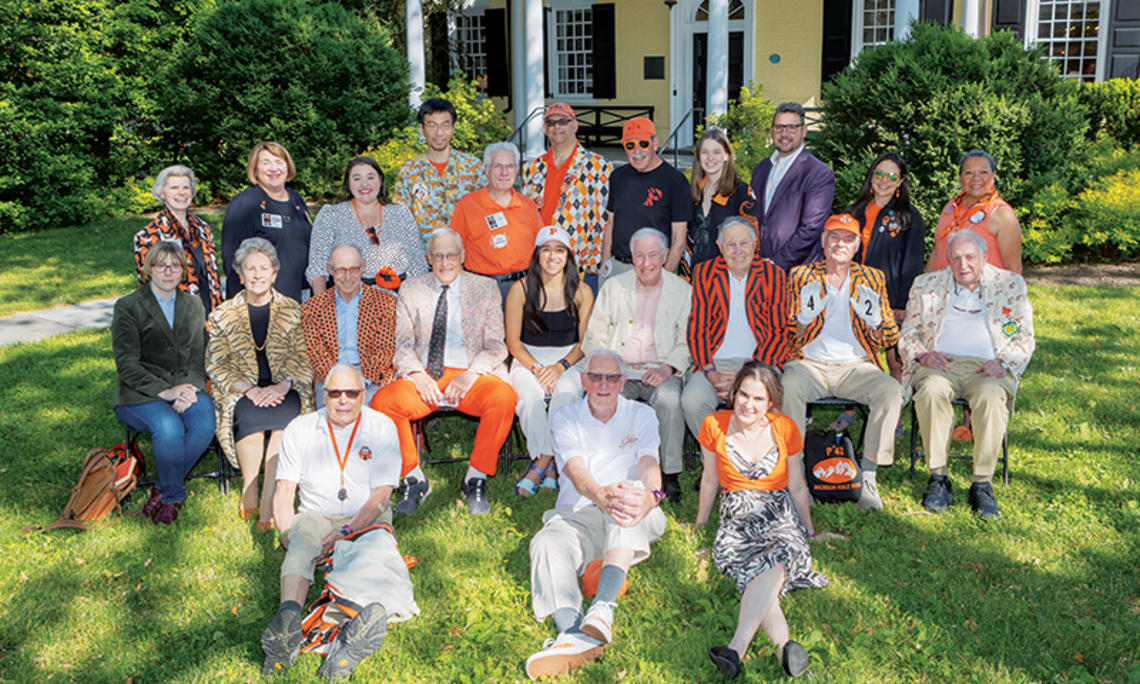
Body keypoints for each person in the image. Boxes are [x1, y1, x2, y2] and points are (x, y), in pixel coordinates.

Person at [260, 364, 418, 680]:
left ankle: (340, 639)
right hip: (315, 514)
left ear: (364, 395)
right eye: (335, 393)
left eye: (351, 393)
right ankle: (289, 618)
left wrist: (345, 532)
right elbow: (284, 492)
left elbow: (380, 498)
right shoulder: (300, 429)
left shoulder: (382, 427)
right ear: (323, 395)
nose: (343, 400)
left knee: (376, 557)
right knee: (302, 540)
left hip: (366, 516)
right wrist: (288, 533)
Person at [523, 349, 667, 680]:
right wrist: (599, 495)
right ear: (584, 380)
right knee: (545, 542)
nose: (604, 384)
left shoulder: (641, 414)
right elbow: (576, 471)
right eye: (596, 377)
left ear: (622, 382)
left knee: (626, 500)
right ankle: (572, 632)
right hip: (580, 510)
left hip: (632, 510)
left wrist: (651, 496)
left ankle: (603, 609)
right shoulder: (565, 416)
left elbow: (648, 462)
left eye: (612, 377)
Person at [693, 363, 841, 679]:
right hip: (737, 520)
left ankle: (736, 648)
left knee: (774, 560)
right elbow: (709, 481)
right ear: (734, 394)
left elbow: (797, 486)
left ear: (771, 402)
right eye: (744, 394)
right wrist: (702, 524)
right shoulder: (714, 425)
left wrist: (810, 532)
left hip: (778, 516)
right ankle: (783, 647)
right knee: (761, 576)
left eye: (758, 399)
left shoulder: (784, 427)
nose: (749, 404)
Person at [369, 229, 518, 516]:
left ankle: (475, 477)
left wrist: (471, 374)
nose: (445, 262)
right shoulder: (412, 289)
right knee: (383, 403)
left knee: (503, 399)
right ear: (428, 258)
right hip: (427, 375)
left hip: (471, 374)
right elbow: (401, 345)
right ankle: (413, 477)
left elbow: (496, 346)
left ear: (462, 257)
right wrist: (417, 374)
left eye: (451, 255)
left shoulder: (484, 287)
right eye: (437, 256)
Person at [899, 231, 1035, 519]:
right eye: (956, 258)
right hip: (940, 364)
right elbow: (908, 333)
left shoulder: (1009, 284)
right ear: (948, 259)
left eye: (970, 257)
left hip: (989, 366)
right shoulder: (926, 285)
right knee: (932, 392)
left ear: (984, 258)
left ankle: (982, 484)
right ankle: (938, 477)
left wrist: (1006, 363)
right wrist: (923, 355)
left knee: (989, 396)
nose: (963, 265)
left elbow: (1024, 337)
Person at [782, 213, 903, 511]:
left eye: (848, 238)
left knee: (890, 391)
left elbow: (888, 336)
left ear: (857, 245)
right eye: (834, 237)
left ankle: (869, 475)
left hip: (856, 365)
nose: (840, 243)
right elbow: (787, 333)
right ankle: (795, 475)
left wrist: (874, 320)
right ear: (823, 242)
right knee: (788, 386)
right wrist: (803, 319)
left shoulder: (872, 278)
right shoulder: (802, 276)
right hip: (810, 364)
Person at [206, 238, 314, 530]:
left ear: (274, 274)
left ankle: (269, 501)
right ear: (239, 275)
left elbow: (304, 359)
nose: (257, 275)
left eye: (263, 268)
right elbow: (217, 364)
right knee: (250, 420)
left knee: (283, 428)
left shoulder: (293, 311)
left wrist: (282, 386)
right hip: (243, 391)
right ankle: (249, 489)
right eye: (249, 269)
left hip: (285, 390)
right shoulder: (222, 316)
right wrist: (250, 390)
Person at [583, 228, 690, 503]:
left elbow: (688, 339)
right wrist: (610, 371)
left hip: (662, 368)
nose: (646, 263)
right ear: (631, 257)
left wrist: (668, 369)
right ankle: (608, 467)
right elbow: (595, 334)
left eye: (653, 255)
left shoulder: (682, 290)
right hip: (620, 370)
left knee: (668, 400)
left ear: (665, 255)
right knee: (604, 395)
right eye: (639, 256)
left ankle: (669, 473)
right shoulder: (614, 287)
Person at [112, 242, 216, 525]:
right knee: (169, 427)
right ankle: (172, 496)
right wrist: (166, 391)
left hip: (185, 386)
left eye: (175, 265)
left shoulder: (193, 305)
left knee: (205, 422)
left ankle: (160, 487)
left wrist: (189, 388)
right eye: (161, 265)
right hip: (140, 393)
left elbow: (198, 356)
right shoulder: (128, 306)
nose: (168, 271)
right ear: (149, 269)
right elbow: (127, 365)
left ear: (183, 270)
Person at [506, 226, 595, 497]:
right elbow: (513, 342)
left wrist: (560, 367)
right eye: (546, 249)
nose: (552, 256)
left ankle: (541, 464)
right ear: (537, 255)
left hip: (569, 360)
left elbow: (586, 343)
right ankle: (553, 462)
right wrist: (537, 369)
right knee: (530, 400)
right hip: (528, 359)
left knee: (565, 397)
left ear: (568, 256)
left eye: (559, 250)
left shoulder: (581, 291)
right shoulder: (519, 289)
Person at [683, 217, 790, 440]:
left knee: (772, 398)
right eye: (731, 244)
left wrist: (749, 375)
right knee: (692, 401)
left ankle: (755, 456)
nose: (738, 250)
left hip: (760, 362)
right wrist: (709, 371)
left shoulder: (774, 275)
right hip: (714, 365)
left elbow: (778, 331)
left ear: (755, 245)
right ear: (720, 246)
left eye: (744, 243)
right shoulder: (704, 273)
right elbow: (698, 328)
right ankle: (719, 458)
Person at [843, 152, 925, 381]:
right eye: (879, 174)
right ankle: (849, 411)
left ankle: (894, 414)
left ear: (900, 181)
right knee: (854, 355)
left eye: (891, 176)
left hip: (890, 299)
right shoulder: (853, 212)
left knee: (894, 360)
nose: (883, 180)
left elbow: (913, 262)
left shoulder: (909, 216)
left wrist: (902, 303)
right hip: (852, 294)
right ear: (871, 177)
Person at [521, 102, 613, 293]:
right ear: (545, 128)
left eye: (563, 121)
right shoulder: (532, 168)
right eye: (551, 122)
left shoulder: (597, 166)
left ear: (575, 125)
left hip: (580, 262)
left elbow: (606, 219)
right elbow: (524, 216)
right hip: (541, 261)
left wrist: (599, 261)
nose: (557, 127)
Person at [306, 157, 428, 294]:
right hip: (348, 299)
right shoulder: (331, 215)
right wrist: (323, 306)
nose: (364, 184)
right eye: (356, 178)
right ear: (348, 183)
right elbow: (317, 267)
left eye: (370, 177)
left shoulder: (401, 214)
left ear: (380, 180)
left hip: (400, 299)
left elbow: (417, 264)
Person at [301, 244, 398, 407]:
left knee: (369, 419)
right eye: (340, 270)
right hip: (330, 375)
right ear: (330, 269)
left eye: (353, 269)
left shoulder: (385, 303)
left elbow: (385, 349)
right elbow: (315, 351)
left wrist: (361, 382)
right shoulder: (313, 307)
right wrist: (337, 381)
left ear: (363, 268)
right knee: (331, 415)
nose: (347, 277)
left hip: (373, 378)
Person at [600, 118, 691, 281]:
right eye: (630, 145)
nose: (637, 151)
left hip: (652, 271)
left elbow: (679, 239)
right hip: (618, 268)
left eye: (643, 144)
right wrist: (605, 265)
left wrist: (665, 278)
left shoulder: (675, 181)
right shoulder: (617, 177)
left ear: (655, 143)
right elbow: (611, 224)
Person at [450, 142, 543, 302]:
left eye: (510, 166)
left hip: (523, 287)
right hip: (480, 288)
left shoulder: (528, 205)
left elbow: (540, 247)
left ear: (516, 170)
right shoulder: (467, 205)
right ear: (486, 170)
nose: (504, 172)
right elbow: (454, 250)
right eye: (497, 166)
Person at [749, 103, 835, 272]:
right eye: (779, 127)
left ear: (803, 131)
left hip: (797, 273)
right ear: (772, 130)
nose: (784, 134)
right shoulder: (761, 169)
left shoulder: (818, 173)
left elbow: (811, 229)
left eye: (791, 128)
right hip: (759, 268)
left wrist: (776, 264)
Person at [221, 141, 312, 302]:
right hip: (263, 300)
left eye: (279, 162)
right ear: (255, 169)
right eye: (265, 162)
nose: (274, 168)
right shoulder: (245, 204)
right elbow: (231, 258)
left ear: (287, 166)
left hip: (300, 295)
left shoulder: (296, 200)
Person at [391, 97, 484, 245]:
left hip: (467, 258)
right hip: (424, 260)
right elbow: (400, 220)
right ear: (422, 128)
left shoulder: (474, 168)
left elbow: (485, 214)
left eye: (445, 125)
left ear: (453, 127)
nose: (439, 133)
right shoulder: (409, 171)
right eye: (432, 125)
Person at [133, 164, 223, 315]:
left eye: (186, 188)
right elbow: (150, 291)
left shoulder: (203, 229)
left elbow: (213, 279)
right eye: (174, 188)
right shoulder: (148, 236)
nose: (181, 193)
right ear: (162, 193)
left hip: (212, 320)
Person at [927, 150, 1022, 274]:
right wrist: (924, 285)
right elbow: (937, 250)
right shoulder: (950, 207)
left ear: (994, 176)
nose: (976, 178)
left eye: (983, 172)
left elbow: (1014, 270)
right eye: (969, 173)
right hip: (942, 289)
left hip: (983, 291)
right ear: (960, 177)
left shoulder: (1001, 214)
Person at [685, 128, 754, 275]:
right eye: (705, 152)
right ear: (698, 157)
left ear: (727, 156)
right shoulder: (691, 194)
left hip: (726, 279)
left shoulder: (742, 193)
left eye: (716, 152)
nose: (710, 158)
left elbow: (754, 241)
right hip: (692, 278)